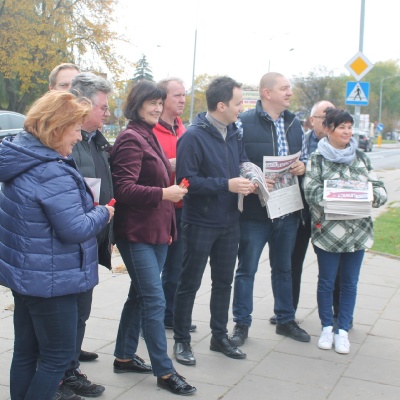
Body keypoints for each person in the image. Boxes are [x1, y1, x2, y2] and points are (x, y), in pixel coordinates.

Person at [0, 90, 114, 400]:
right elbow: (74, 228)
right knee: (56, 358)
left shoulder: (21, 157)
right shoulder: (51, 171)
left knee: (25, 352)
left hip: (28, 276)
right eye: (75, 128)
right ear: (56, 128)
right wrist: (103, 212)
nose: (79, 136)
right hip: (52, 280)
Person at [110, 80, 196, 396]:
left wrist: (170, 226)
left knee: (140, 296)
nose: (158, 108)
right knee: (154, 298)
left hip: (158, 231)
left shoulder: (149, 135)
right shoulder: (131, 138)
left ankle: (123, 355)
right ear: (137, 103)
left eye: (160, 103)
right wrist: (164, 193)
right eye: (152, 102)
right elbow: (123, 189)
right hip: (137, 234)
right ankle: (164, 371)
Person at [173, 76, 255, 366]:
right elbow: (185, 182)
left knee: (223, 282)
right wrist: (226, 185)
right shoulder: (193, 136)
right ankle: (181, 340)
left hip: (230, 220)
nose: (241, 108)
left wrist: (252, 178)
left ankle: (218, 336)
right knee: (189, 283)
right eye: (238, 103)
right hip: (200, 222)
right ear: (221, 105)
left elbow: (241, 162)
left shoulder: (234, 131)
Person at [230, 72, 311, 347]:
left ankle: (285, 319)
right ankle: (241, 324)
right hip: (255, 211)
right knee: (247, 269)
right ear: (267, 93)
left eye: (290, 88)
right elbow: (235, 160)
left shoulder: (294, 123)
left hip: (287, 209)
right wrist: (255, 176)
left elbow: (304, 157)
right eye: (284, 88)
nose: (290, 93)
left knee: (284, 268)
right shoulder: (244, 122)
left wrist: (303, 167)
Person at [303, 107, 387, 354]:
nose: (347, 132)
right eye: (342, 127)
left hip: (357, 233)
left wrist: (368, 196)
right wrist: (343, 195)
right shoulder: (317, 159)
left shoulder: (361, 157)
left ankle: (342, 331)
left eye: (350, 127)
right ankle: (327, 327)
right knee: (327, 282)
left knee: (350, 284)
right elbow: (311, 193)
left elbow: (380, 190)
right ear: (328, 129)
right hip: (328, 233)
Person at [53, 72, 114, 399]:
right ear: (85, 104)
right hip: (69, 244)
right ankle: (62, 377)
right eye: (103, 107)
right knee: (67, 316)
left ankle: (70, 368)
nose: (107, 113)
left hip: (90, 238)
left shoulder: (96, 141)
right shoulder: (68, 144)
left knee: (81, 312)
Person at [49, 64, 100, 364]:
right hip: (60, 246)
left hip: (84, 240)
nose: (72, 93)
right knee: (52, 328)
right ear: (51, 91)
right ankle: (64, 369)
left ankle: (71, 359)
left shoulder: (86, 137)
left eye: (77, 87)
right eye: (65, 86)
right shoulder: (50, 146)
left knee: (81, 310)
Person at [269, 100, 334, 325]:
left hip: (329, 216)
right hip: (301, 213)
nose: (327, 123)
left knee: (332, 267)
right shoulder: (301, 141)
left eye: (330, 118)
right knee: (292, 263)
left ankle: (336, 314)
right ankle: (287, 312)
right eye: (322, 118)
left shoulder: (341, 145)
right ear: (312, 120)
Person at [153, 77, 195, 332]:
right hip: (158, 207)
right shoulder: (150, 130)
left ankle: (170, 315)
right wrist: (165, 165)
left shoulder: (183, 129)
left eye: (183, 95)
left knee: (177, 268)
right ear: (162, 100)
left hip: (181, 208)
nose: (182, 100)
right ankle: (153, 319)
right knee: (155, 269)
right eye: (177, 95)